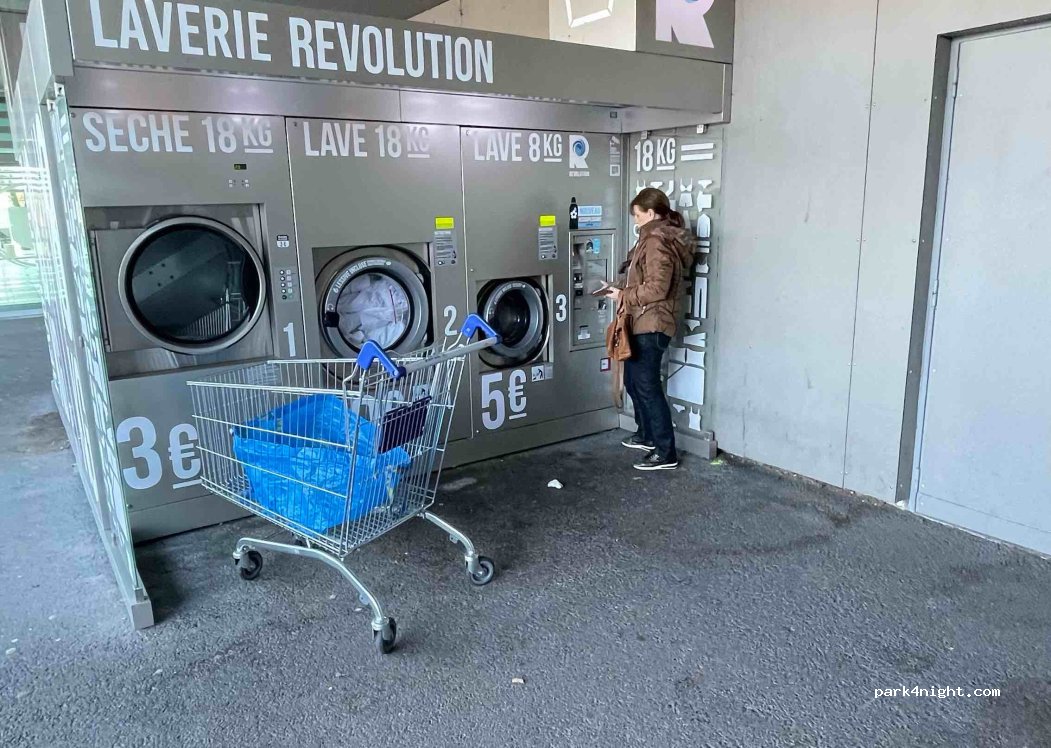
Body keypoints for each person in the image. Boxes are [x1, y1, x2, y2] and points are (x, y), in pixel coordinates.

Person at [599, 188, 693, 471]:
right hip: (643, 320)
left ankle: (665, 452)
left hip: (653, 322)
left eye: (638, 215)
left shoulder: (656, 241)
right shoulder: (652, 238)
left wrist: (623, 295)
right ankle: (647, 435)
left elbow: (657, 288)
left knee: (647, 386)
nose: (635, 220)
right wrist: (618, 287)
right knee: (634, 381)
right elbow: (644, 279)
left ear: (651, 213)